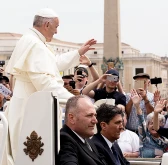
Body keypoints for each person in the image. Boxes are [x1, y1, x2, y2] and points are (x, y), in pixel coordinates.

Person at [4, 8, 96, 161]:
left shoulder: (35, 41)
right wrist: (76, 102)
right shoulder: (34, 44)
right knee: (30, 158)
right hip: (29, 111)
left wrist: (77, 53)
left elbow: (52, 65)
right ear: (47, 24)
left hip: (30, 108)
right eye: (56, 27)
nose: (57, 32)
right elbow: (45, 84)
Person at [59, 96, 107, 165]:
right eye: (89, 115)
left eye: (95, 116)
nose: (95, 121)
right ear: (72, 118)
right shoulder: (65, 139)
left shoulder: (87, 139)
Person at [130, 89, 168, 158]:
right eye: (151, 123)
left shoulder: (165, 141)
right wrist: (137, 106)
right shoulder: (145, 136)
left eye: (156, 123)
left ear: (162, 125)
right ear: (147, 126)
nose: (153, 126)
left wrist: (162, 157)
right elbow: (141, 121)